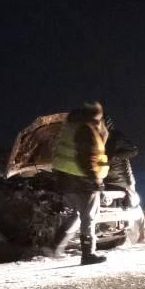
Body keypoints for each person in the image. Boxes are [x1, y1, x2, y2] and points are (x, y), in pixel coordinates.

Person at [51, 102, 110, 265]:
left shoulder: (70, 126)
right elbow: (87, 157)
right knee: (89, 217)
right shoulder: (86, 129)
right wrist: (95, 179)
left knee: (77, 214)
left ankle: (55, 245)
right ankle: (88, 254)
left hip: (66, 179)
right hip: (83, 180)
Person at [103, 119, 145, 244]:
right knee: (112, 205)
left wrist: (115, 157)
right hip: (107, 177)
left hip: (123, 177)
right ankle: (118, 232)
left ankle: (143, 232)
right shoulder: (100, 138)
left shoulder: (116, 136)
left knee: (133, 203)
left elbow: (133, 150)